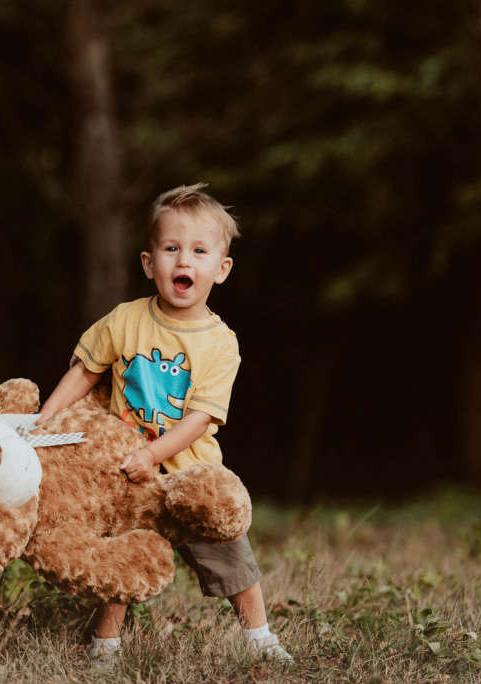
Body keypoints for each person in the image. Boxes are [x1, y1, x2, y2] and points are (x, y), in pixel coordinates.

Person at [35, 183, 293, 665]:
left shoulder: (220, 343)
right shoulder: (125, 320)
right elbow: (85, 371)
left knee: (231, 555)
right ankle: (105, 645)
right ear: (149, 263)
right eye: (171, 249)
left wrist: (153, 454)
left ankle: (260, 638)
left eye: (198, 251)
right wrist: (45, 419)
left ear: (221, 269)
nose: (183, 261)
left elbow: (200, 417)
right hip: (126, 476)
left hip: (188, 473)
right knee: (122, 558)